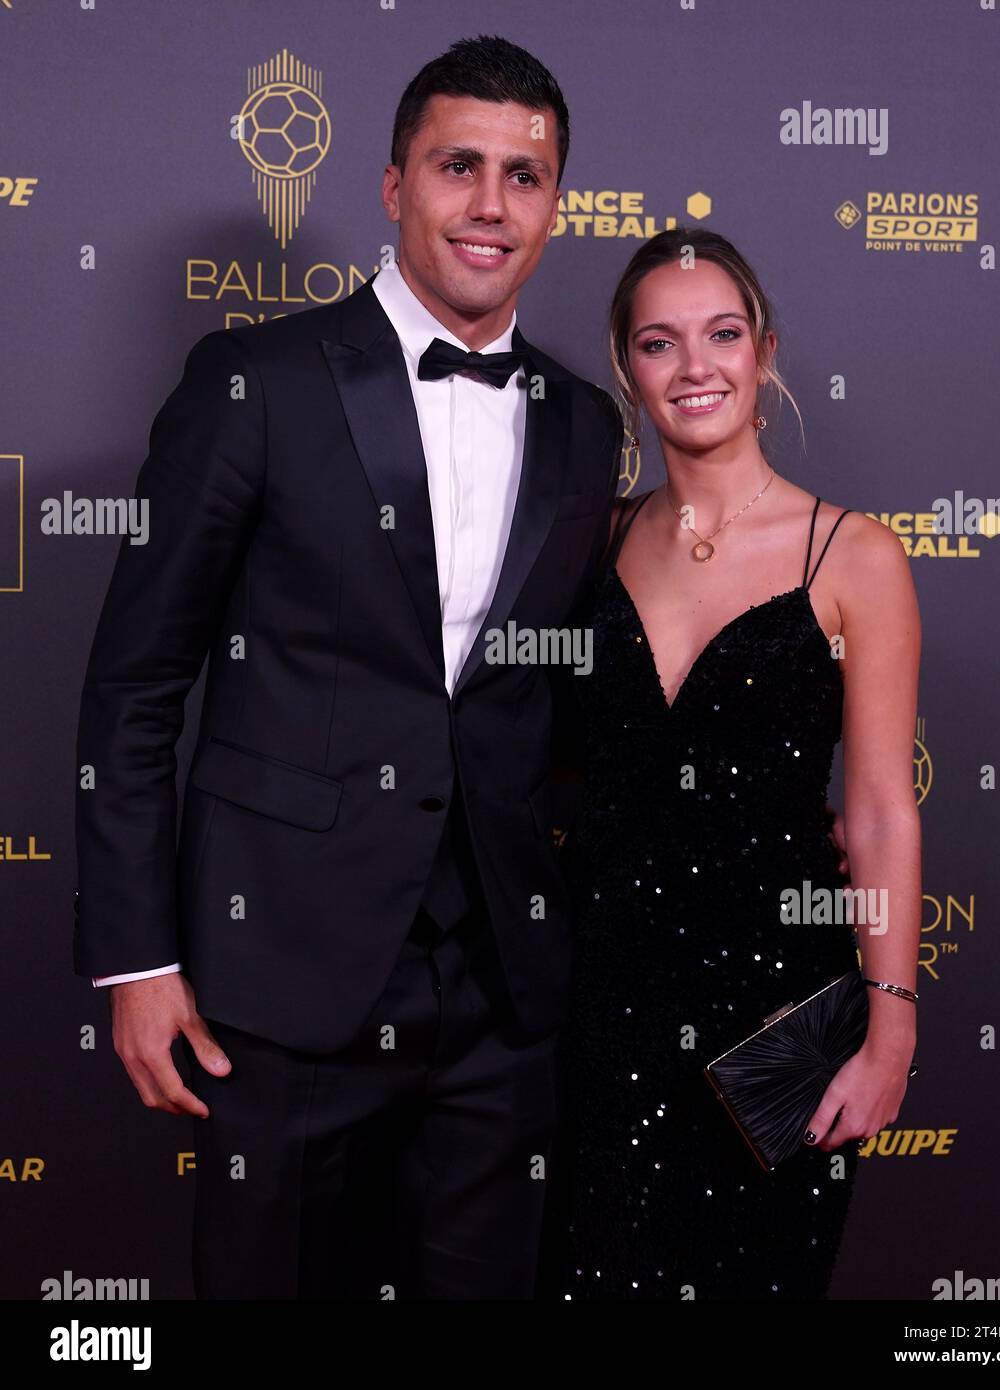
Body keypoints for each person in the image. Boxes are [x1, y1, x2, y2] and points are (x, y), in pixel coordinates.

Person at [73, 34, 624, 1299]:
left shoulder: (585, 424)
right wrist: (138, 961)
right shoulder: (253, 381)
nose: (491, 205)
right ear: (391, 187)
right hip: (279, 975)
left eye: (524, 176)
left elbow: (568, 703)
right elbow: (134, 689)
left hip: (501, 995)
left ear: (554, 203)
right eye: (457, 166)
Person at [550, 227, 922, 1299]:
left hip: (768, 1019)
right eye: (659, 343)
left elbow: (879, 810)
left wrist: (890, 1023)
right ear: (629, 370)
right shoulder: (596, 540)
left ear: (762, 351)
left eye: (721, 334)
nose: (695, 365)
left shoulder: (851, 554)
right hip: (596, 1004)